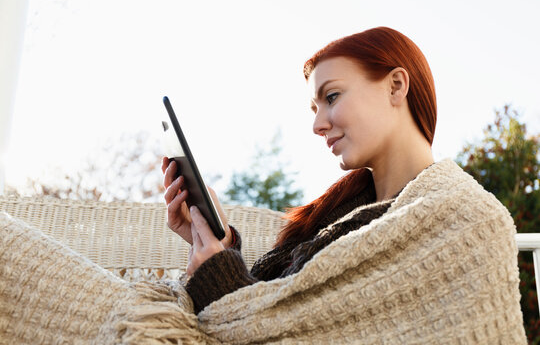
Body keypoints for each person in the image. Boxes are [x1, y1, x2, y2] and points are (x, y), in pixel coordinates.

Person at [161, 27, 525, 342]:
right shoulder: (339, 214)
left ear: (396, 86)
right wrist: (219, 244)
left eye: (331, 97)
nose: (317, 125)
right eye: (313, 108)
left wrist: (217, 276)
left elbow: (288, 331)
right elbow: (277, 309)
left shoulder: (468, 218)